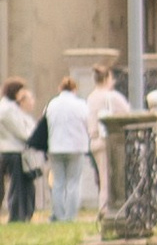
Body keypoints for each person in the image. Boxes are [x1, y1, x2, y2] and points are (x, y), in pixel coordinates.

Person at [39, 73, 92, 221]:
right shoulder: (81, 104)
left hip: (55, 147)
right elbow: (89, 123)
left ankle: (59, 214)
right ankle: (70, 216)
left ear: (59, 89)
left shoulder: (52, 104)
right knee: (73, 182)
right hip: (76, 147)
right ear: (74, 90)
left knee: (58, 183)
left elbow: (45, 123)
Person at [0, 82, 34, 221]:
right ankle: (16, 215)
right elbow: (21, 131)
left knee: (17, 185)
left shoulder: (9, 107)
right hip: (13, 150)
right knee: (17, 185)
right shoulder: (8, 109)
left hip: (8, 149)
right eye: (22, 92)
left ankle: (20, 214)